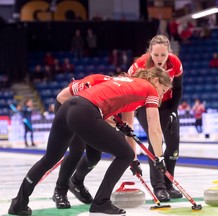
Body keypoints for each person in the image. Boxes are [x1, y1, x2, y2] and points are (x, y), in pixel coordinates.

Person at [8, 67, 172, 216]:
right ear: (156, 81)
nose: (161, 96)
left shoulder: (122, 82)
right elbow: (154, 128)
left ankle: (19, 203)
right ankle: (101, 202)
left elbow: (112, 112)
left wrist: (122, 134)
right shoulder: (149, 88)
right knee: (125, 154)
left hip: (68, 107)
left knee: (49, 159)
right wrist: (159, 158)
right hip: (85, 111)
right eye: (163, 90)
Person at [52, 74, 125, 209]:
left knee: (94, 156)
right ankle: (60, 191)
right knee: (77, 150)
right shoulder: (97, 83)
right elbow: (61, 97)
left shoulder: (126, 96)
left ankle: (76, 182)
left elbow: (122, 126)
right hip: (68, 107)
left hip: (90, 113)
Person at [128, 34, 183, 202]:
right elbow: (130, 90)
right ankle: (158, 187)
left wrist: (173, 111)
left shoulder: (176, 63)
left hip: (166, 106)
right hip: (145, 105)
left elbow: (178, 89)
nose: (159, 59)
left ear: (169, 53)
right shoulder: (139, 65)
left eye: (163, 55)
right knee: (155, 140)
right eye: (156, 55)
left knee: (173, 146)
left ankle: (168, 183)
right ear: (149, 53)